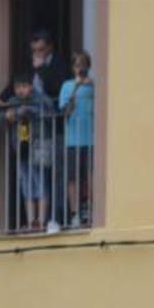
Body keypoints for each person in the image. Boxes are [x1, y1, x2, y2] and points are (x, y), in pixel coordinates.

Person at [1, 73, 54, 232]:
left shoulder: (38, 98)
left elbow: (49, 108)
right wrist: (6, 115)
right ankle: (32, 222)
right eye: (17, 87)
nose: (20, 90)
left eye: (24, 86)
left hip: (37, 146)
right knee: (26, 186)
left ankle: (42, 220)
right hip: (21, 147)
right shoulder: (12, 102)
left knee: (40, 183)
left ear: (31, 86)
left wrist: (26, 110)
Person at [59, 50, 94, 227]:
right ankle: (74, 214)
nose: (80, 68)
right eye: (77, 65)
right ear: (73, 68)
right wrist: (76, 88)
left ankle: (89, 208)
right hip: (72, 139)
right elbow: (64, 111)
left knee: (89, 176)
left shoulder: (94, 85)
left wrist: (91, 84)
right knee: (72, 178)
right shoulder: (67, 86)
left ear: (88, 66)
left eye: (83, 65)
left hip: (91, 138)